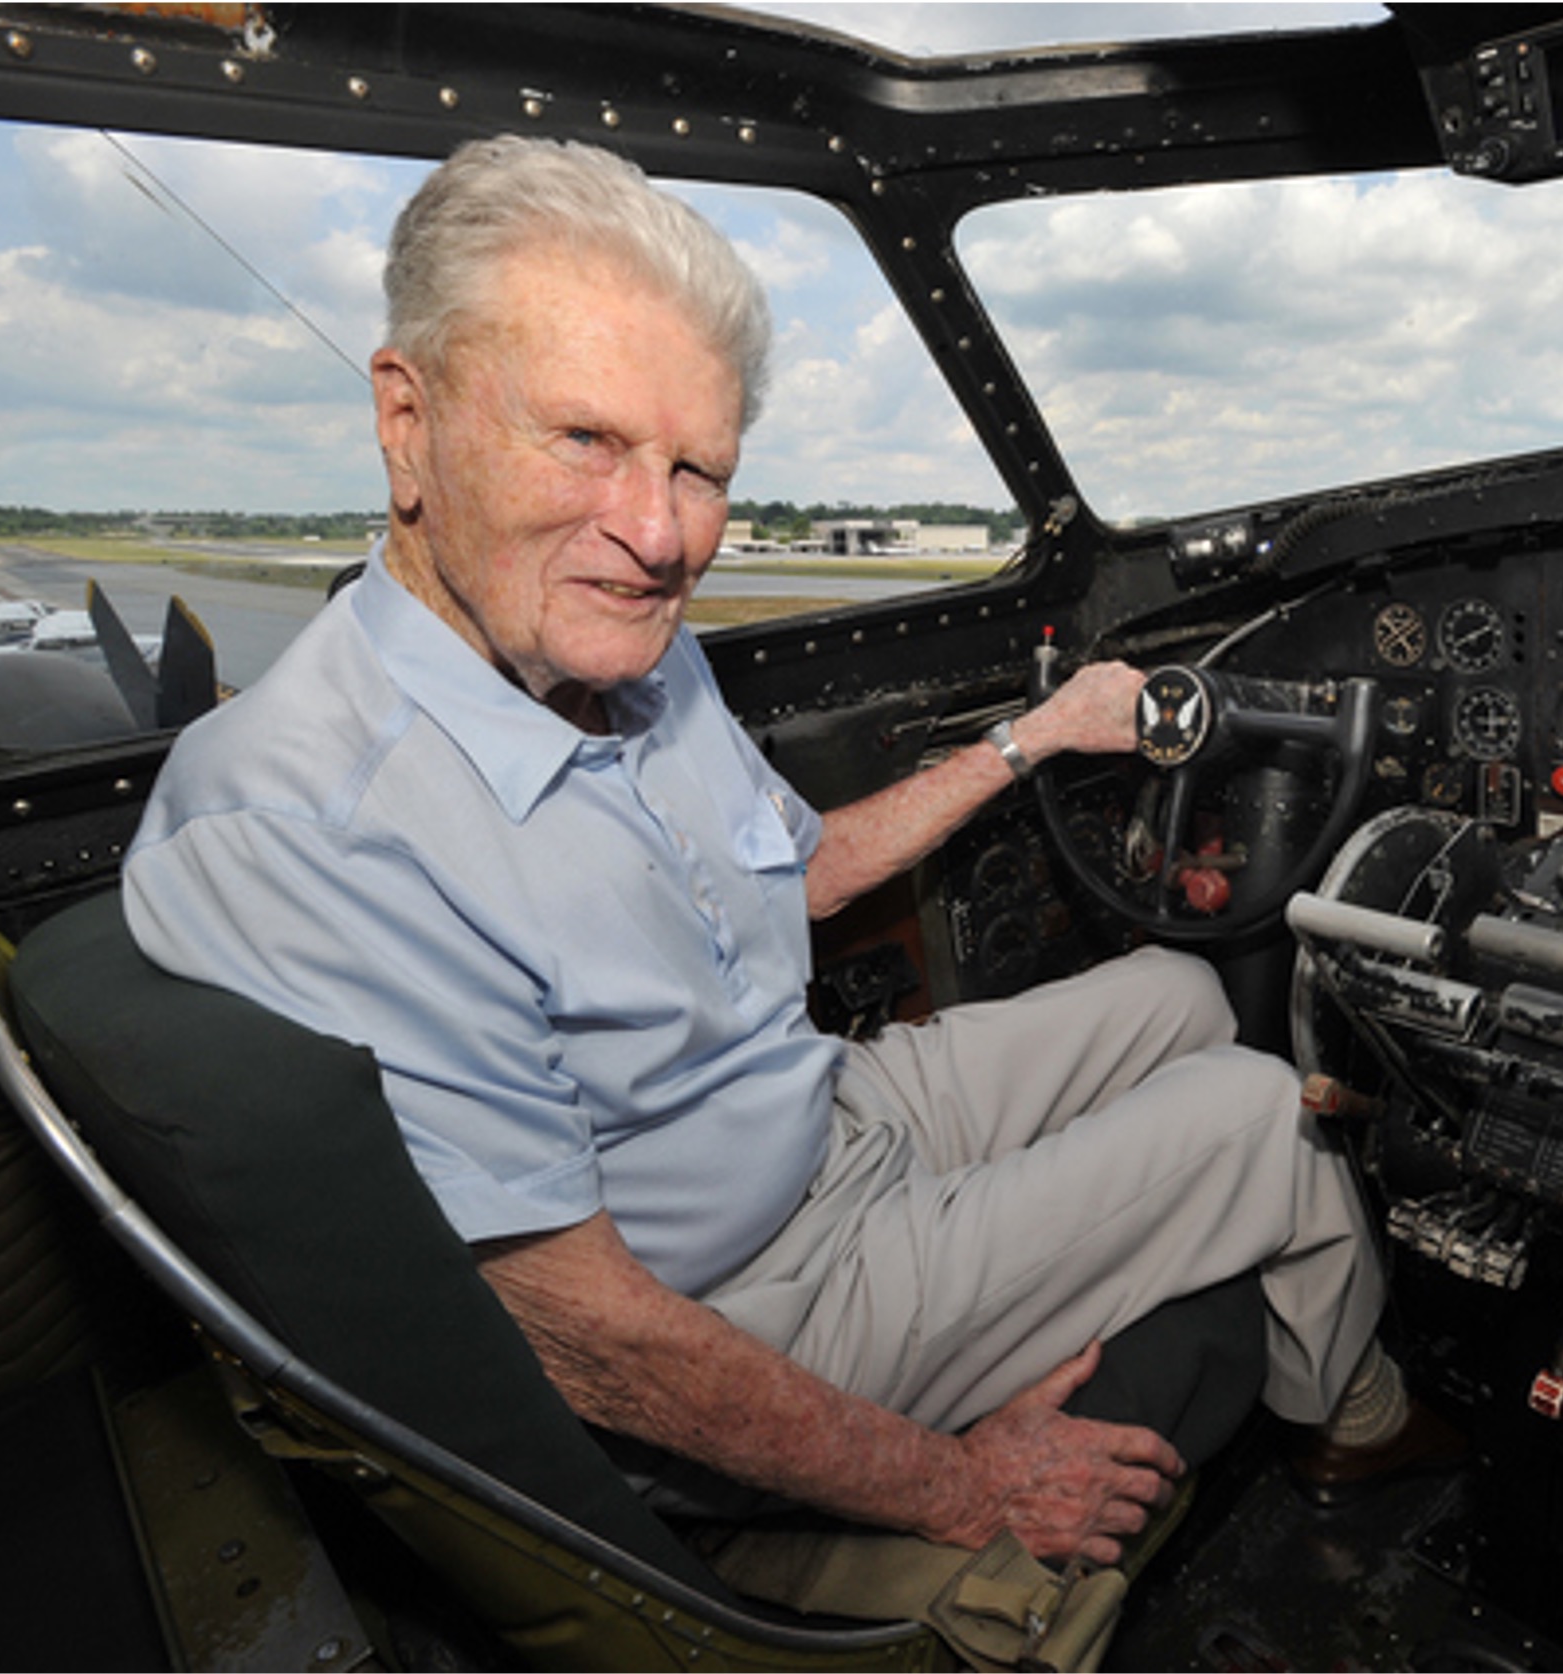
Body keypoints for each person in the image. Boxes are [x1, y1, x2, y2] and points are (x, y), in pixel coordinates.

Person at [123, 135, 1454, 1569]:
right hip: (739, 1299)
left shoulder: (631, 650)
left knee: (1182, 994)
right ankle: (1353, 1420)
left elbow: (794, 869)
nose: (656, 534)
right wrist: (963, 1487)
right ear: (408, 419)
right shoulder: (310, 825)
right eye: (584, 439)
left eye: (697, 468)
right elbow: (592, 1343)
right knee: (1261, 1114)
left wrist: (1038, 736)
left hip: (818, 1112)